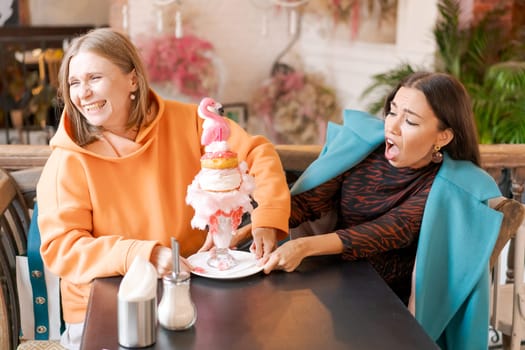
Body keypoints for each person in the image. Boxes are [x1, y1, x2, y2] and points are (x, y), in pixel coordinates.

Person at [36, 27, 290, 349]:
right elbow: (62, 248)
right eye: (74, 83)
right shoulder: (68, 159)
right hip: (104, 306)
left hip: (193, 287)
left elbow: (257, 153)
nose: (82, 93)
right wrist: (144, 255)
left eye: (94, 78)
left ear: (132, 80)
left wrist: (267, 217)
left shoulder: (190, 121)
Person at [263, 72, 503, 350]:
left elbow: (381, 232)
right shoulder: (364, 151)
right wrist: (259, 224)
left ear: (443, 136)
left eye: (411, 121)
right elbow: (310, 201)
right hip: (330, 288)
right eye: (392, 112)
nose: (393, 127)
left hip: (387, 311)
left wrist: (303, 247)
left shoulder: (446, 188)